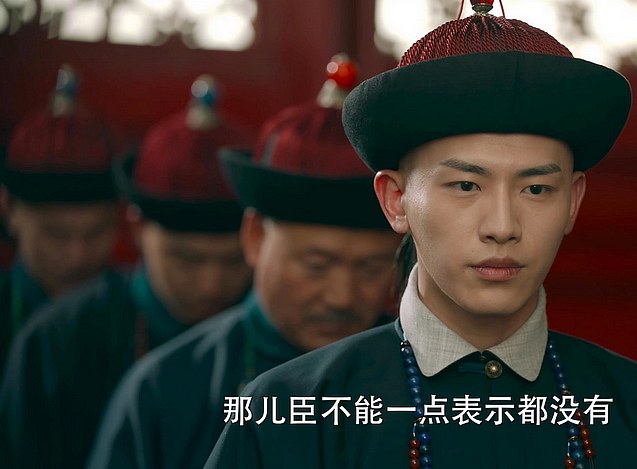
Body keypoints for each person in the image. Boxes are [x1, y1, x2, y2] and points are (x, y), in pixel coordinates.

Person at [205, 3, 637, 468]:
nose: (502, 227)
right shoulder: (291, 415)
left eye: (536, 189)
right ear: (395, 200)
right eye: (465, 185)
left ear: (573, 201)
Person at [86, 55, 402, 469]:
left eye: (370, 268)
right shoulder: (166, 389)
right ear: (254, 237)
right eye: (316, 265)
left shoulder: (418, 382)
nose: (342, 297)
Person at [0, 75, 253, 469]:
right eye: (187, 259)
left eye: (232, 261)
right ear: (137, 228)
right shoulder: (60, 337)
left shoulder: (274, 330)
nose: (211, 284)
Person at [0, 65, 121, 374]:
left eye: (97, 232)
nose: (78, 256)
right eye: (56, 234)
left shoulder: (135, 318)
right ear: (8, 209)